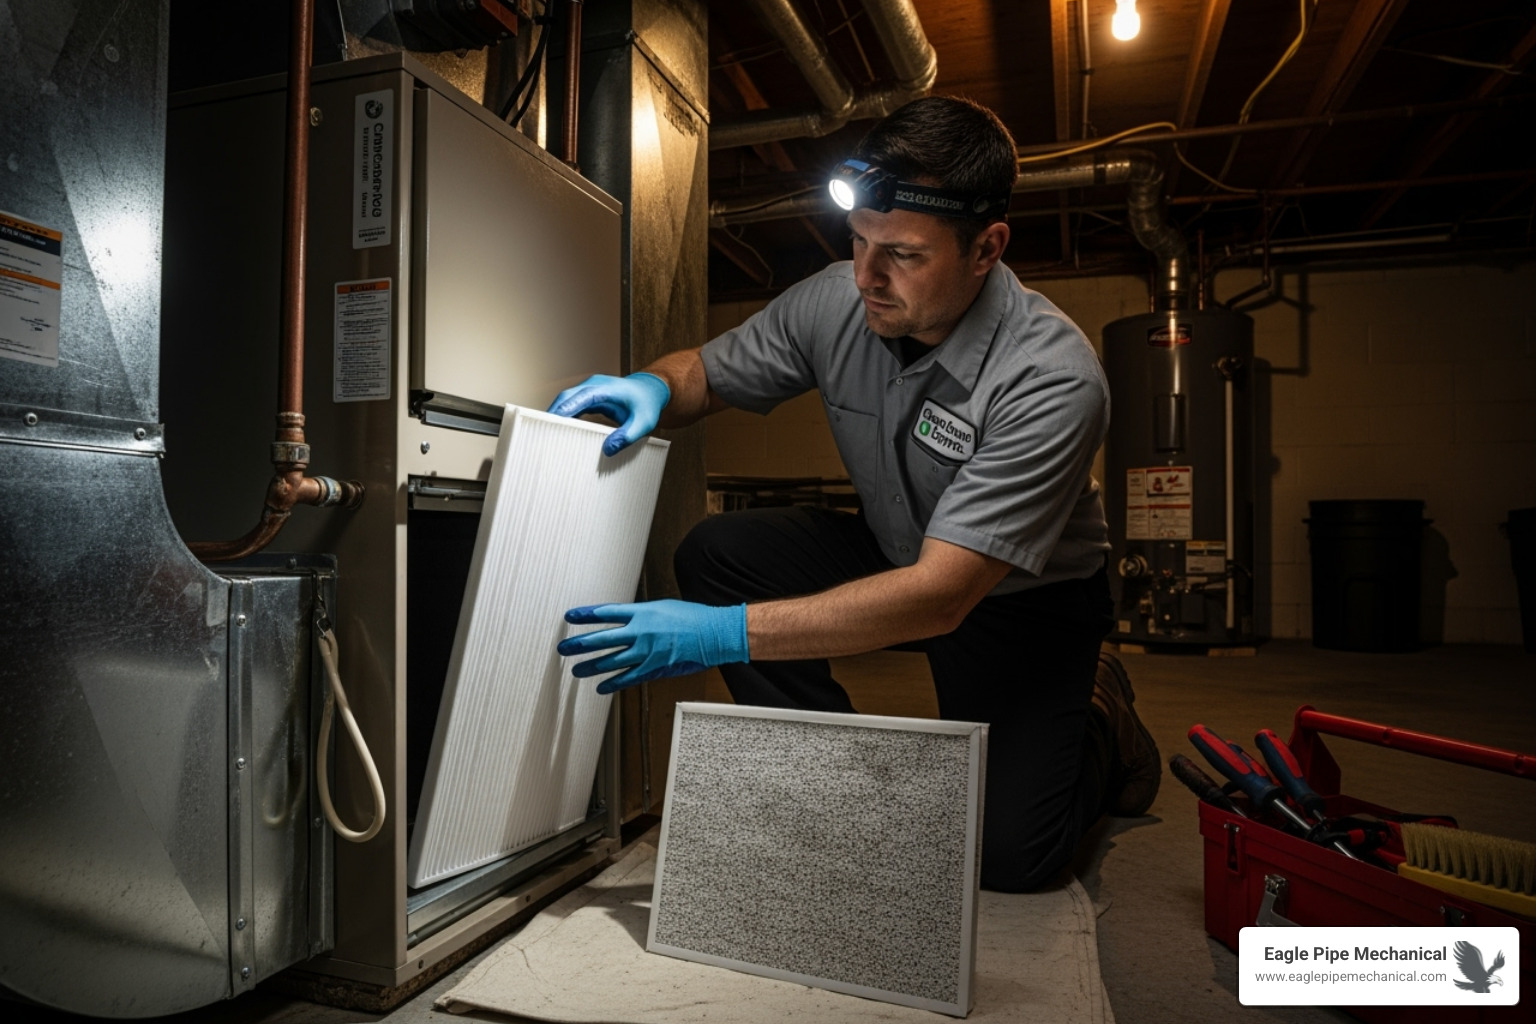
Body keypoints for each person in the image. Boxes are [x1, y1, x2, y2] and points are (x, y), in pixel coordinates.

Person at [548, 96, 1159, 892]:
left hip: (1018, 598)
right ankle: (835, 786)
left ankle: (1103, 715)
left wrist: (720, 636)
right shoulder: (839, 299)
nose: (867, 276)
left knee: (1009, 859)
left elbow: (942, 596)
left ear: (987, 248)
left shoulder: (1051, 379)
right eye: (859, 241)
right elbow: (704, 372)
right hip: (894, 544)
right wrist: (650, 386)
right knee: (721, 552)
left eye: (902, 254)